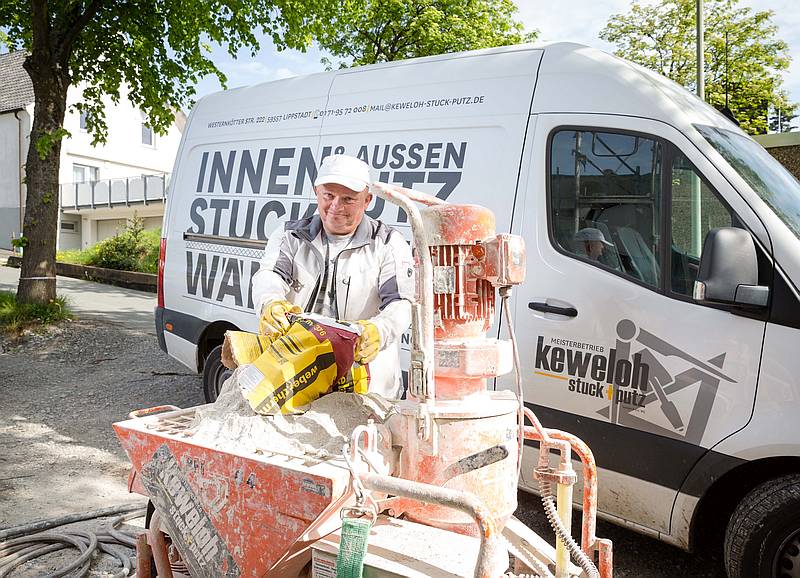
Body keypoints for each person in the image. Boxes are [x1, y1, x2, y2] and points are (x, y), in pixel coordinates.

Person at [251, 154, 414, 399]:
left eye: (348, 199)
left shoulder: (388, 243)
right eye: (328, 196)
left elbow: (401, 303)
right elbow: (269, 276)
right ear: (316, 192)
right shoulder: (291, 236)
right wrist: (270, 302)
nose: (336, 206)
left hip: (365, 385)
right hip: (299, 376)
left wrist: (379, 330)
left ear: (367, 200)